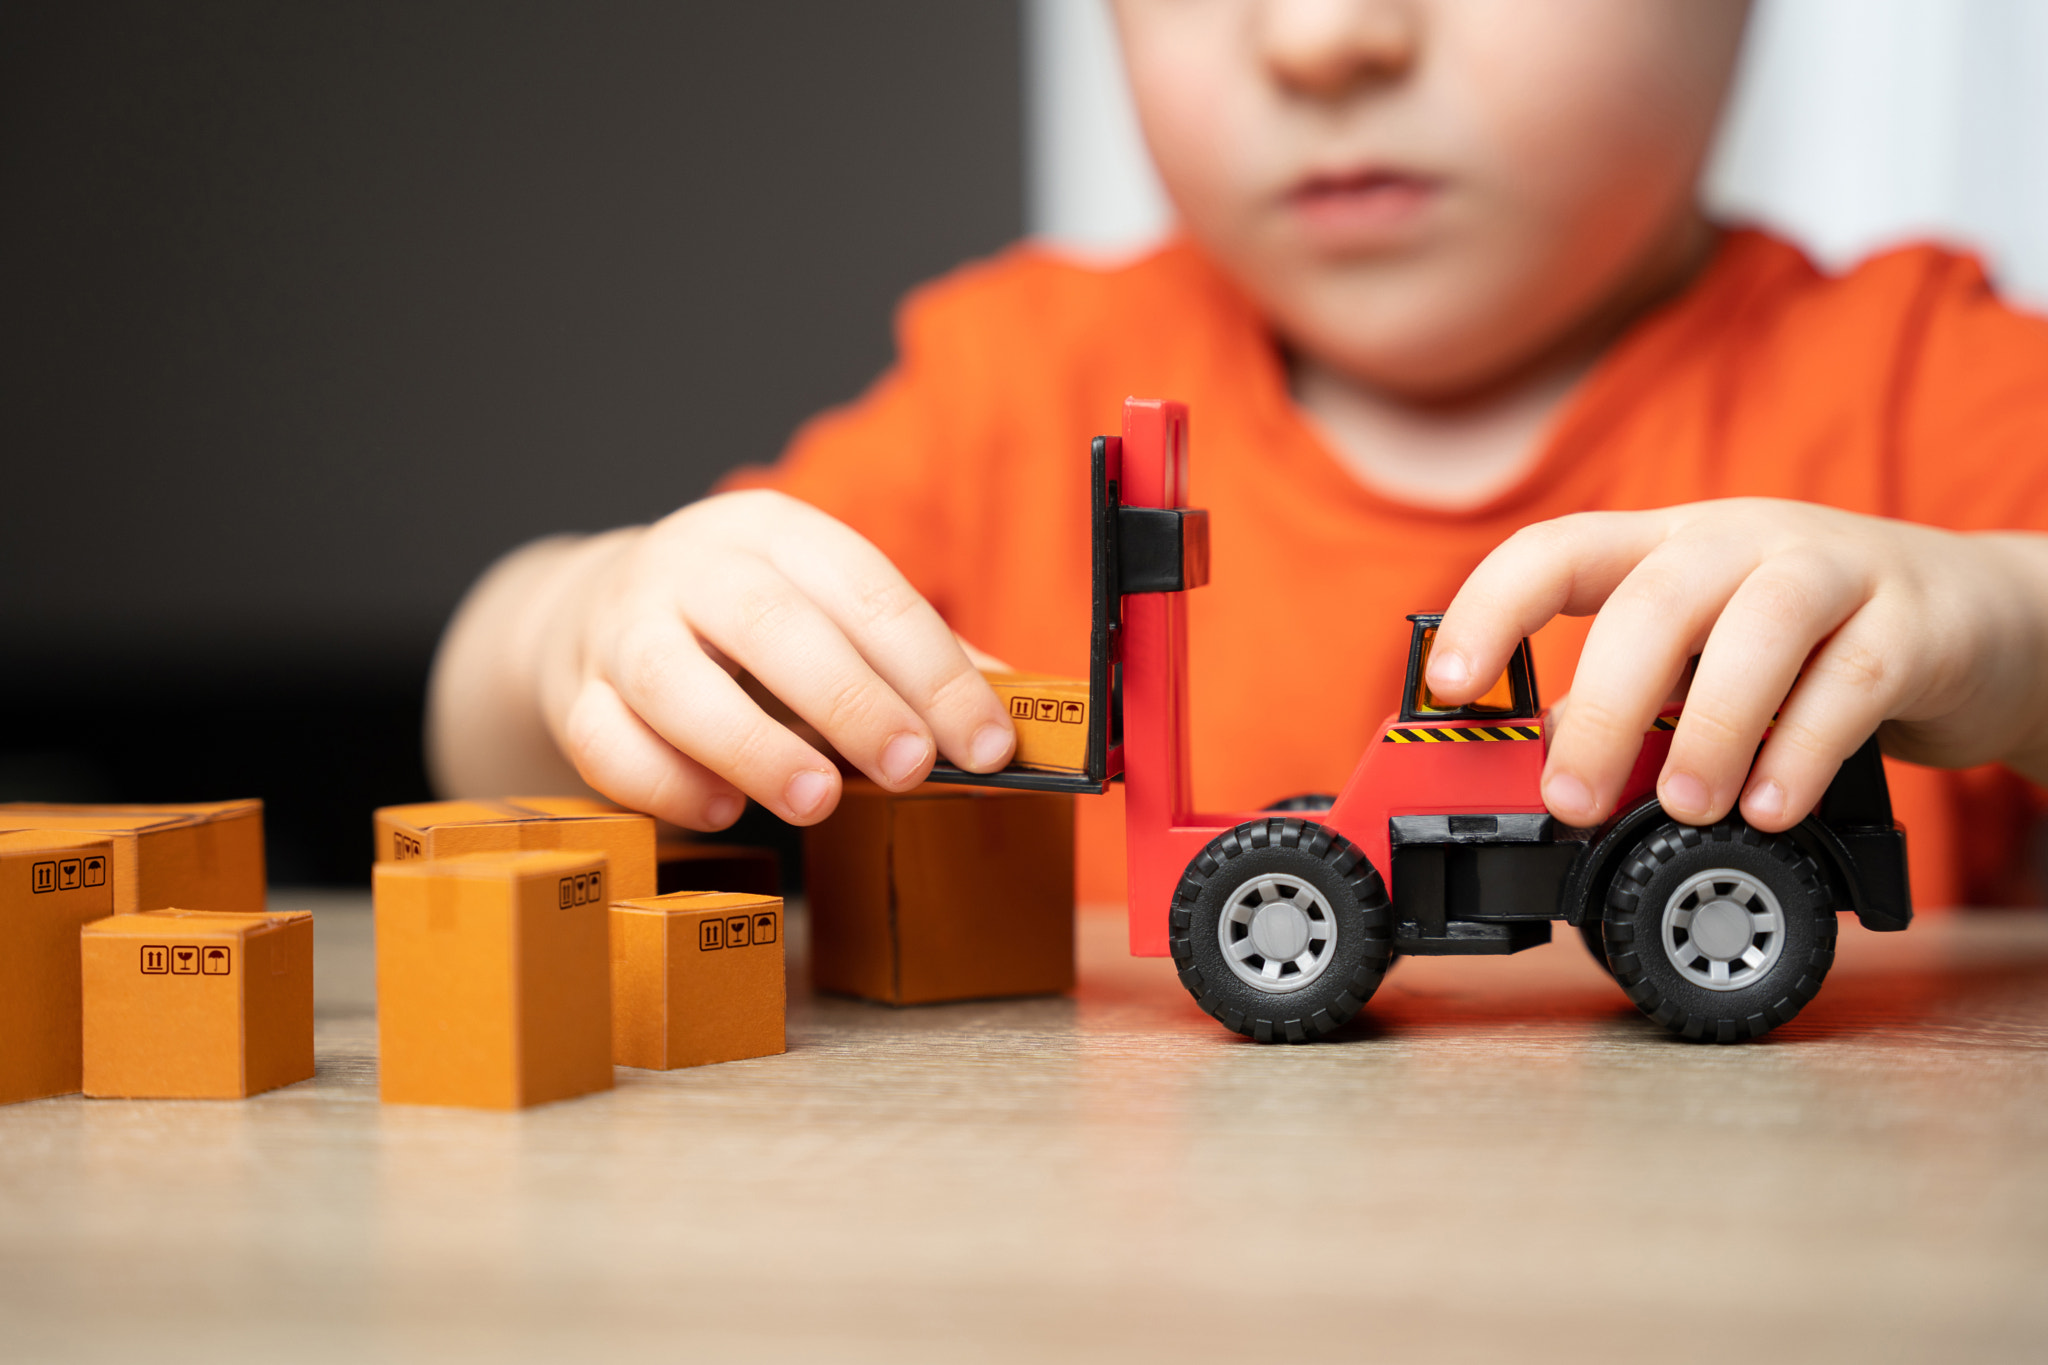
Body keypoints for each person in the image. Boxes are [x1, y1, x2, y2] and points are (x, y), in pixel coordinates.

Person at [428, 0, 2048, 910]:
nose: (1323, 36)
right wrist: (584, 621)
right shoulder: (1015, 382)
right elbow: (485, 732)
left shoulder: (1928, 384)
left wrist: (2007, 629)